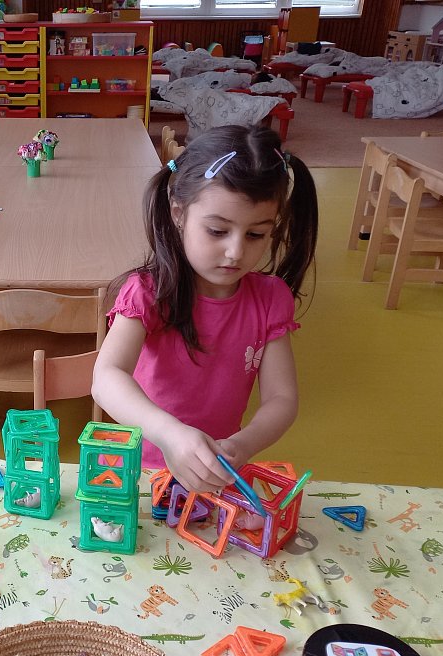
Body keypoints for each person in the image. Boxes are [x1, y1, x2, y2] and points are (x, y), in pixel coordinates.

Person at [91, 125, 318, 500]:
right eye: (217, 231)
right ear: (178, 213)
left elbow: (282, 398)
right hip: (137, 473)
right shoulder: (149, 292)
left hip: (215, 474)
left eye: (256, 235)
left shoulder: (270, 298)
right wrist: (169, 435)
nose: (235, 252)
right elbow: (106, 378)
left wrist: (244, 443)